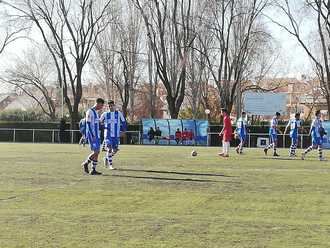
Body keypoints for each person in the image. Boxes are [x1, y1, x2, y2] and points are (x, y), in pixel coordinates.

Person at [100, 100, 127, 170]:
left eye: (112, 106)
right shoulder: (105, 114)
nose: (110, 107)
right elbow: (99, 122)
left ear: (114, 106)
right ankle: (110, 165)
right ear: (108, 106)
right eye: (109, 106)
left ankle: (106, 158)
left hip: (116, 135)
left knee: (115, 150)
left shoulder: (118, 113)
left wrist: (123, 131)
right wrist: (103, 126)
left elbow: (124, 122)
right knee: (109, 149)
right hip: (108, 135)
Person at [81, 98, 105, 175]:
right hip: (93, 135)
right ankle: (86, 163)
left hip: (97, 135)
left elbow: (96, 124)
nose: (101, 107)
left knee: (97, 152)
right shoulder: (90, 111)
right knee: (96, 151)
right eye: (101, 105)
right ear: (98, 103)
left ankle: (93, 170)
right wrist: (91, 135)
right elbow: (88, 124)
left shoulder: (96, 112)